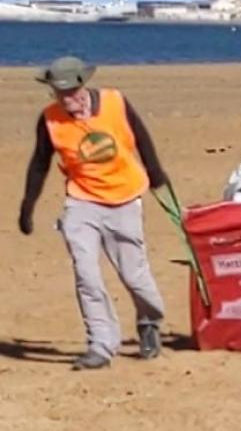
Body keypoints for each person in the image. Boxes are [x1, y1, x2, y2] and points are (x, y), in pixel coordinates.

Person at [19, 56, 169, 371]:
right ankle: (101, 345)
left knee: (135, 276)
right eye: (59, 94)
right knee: (86, 274)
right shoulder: (50, 120)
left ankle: (149, 320)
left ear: (82, 85)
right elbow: (39, 163)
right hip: (82, 201)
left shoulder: (115, 102)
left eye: (71, 92)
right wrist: (27, 206)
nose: (66, 99)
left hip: (125, 197)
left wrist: (156, 177)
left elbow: (141, 139)